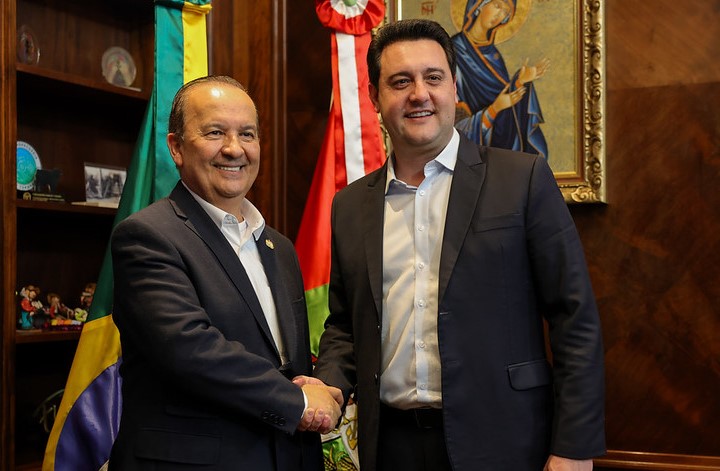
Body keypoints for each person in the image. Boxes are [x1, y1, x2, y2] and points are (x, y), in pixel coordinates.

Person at [306, 19, 605, 471]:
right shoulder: (349, 206)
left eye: (433, 77)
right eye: (400, 82)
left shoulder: (521, 180)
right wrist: (329, 383)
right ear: (374, 97)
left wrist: (574, 447)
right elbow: (346, 324)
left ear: (453, 86)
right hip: (391, 446)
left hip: (505, 441)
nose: (419, 94)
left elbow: (574, 316)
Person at [108, 75, 342, 470]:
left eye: (247, 134)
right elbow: (191, 351)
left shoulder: (279, 248)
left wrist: (319, 389)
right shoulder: (147, 236)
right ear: (176, 147)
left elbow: (290, 362)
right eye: (215, 132)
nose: (234, 149)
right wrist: (299, 402)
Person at [453, 0, 550, 159]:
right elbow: (456, 121)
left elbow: (504, 99)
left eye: (505, 12)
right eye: (497, 6)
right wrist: (495, 108)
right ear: (478, 6)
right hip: (476, 142)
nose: (499, 15)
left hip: (500, 136)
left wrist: (520, 82)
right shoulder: (453, 51)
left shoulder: (494, 56)